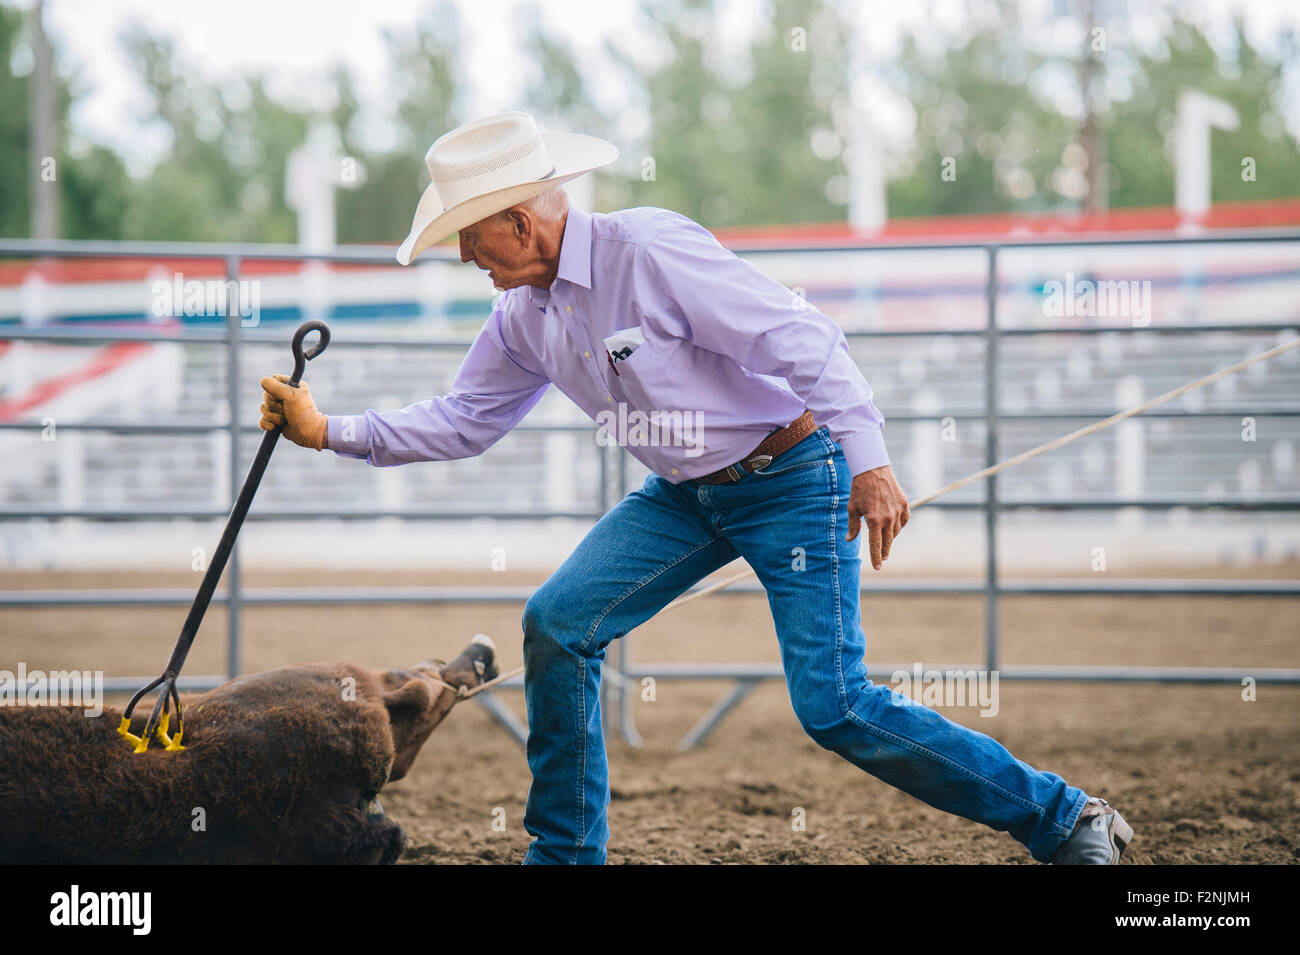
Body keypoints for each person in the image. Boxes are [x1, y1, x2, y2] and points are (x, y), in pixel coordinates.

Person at [259, 110, 1133, 865]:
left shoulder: (651, 250)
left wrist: (868, 459)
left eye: (469, 234)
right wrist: (328, 430)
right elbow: (464, 419)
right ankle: (564, 855)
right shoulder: (521, 317)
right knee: (558, 625)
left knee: (834, 706)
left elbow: (803, 339)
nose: (462, 254)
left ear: (520, 222)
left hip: (793, 475)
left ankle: (1067, 815)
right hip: (687, 495)